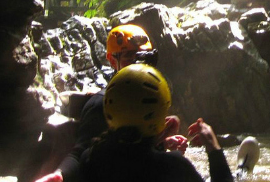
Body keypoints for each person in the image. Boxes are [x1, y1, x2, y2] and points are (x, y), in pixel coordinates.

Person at [34, 24, 184, 182]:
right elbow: (81, 153)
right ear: (112, 60)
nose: (139, 63)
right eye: (130, 56)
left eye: (145, 56)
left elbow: (137, 148)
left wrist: (161, 141)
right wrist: (61, 175)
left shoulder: (154, 97)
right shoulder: (102, 104)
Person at [79, 64, 233, 182]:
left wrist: (158, 144)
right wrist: (214, 149)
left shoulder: (91, 158)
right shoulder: (172, 165)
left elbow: (131, 159)